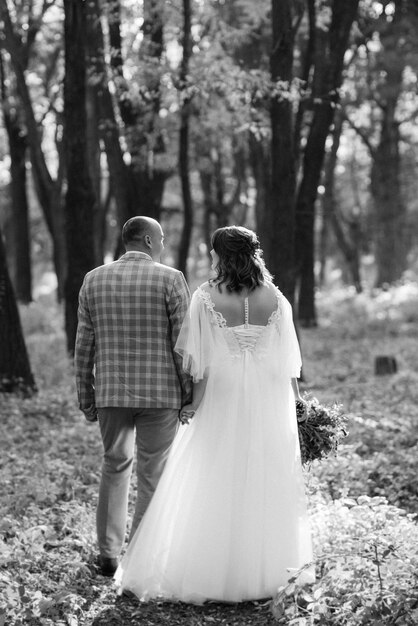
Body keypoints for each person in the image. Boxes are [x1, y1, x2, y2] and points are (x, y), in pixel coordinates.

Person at [114, 225, 314, 602]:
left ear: (222, 255)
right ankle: (266, 572)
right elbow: (289, 365)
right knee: (264, 472)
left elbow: (200, 365)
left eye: (213, 252)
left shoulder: (206, 297)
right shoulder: (276, 298)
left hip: (222, 392)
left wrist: (193, 402)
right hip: (268, 395)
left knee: (215, 470)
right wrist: (298, 406)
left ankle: (211, 569)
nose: (210, 258)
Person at [74, 216, 192, 577]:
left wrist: (86, 394)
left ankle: (109, 554)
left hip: (111, 394)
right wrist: (188, 393)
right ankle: (142, 556)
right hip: (161, 394)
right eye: (160, 238)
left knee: (115, 466)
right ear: (145, 239)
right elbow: (183, 345)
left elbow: (84, 344)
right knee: (153, 472)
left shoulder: (93, 279)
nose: (163, 243)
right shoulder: (170, 279)